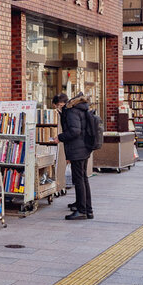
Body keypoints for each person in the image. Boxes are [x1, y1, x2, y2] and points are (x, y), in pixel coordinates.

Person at [56, 92, 93, 220]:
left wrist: (60, 137)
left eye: (58, 106)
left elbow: (74, 131)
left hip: (77, 149)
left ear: (62, 103)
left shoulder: (72, 111)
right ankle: (87, 209)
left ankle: (82, 210)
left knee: (79, 180)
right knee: (83, 179)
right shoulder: (80, 108)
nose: (58, 109)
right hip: (84, 148)